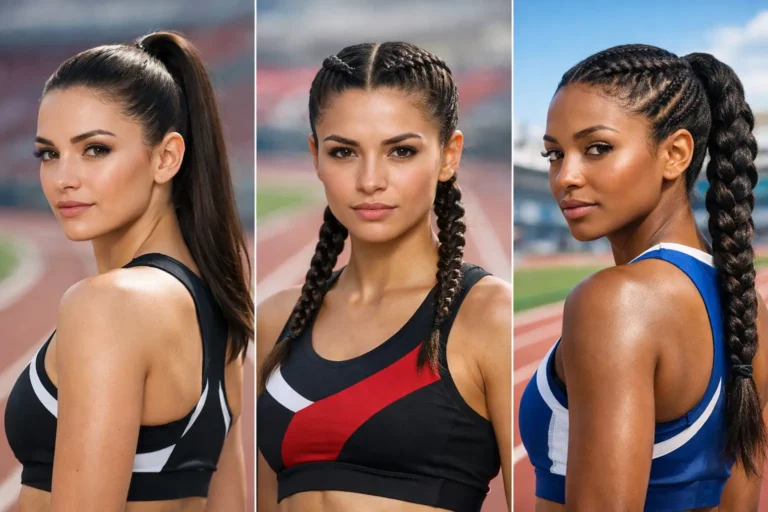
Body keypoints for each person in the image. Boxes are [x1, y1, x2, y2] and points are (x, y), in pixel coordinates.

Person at [256, 42, 511, 512]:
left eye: (401, 151)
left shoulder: (490, 317)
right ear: (316, 156)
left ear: (449, 155)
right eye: (344, 152)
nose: (370, 179)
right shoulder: (277, 320)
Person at [4, 31, 253, 511]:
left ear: (166, 157)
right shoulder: (218, 310)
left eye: (95, 149)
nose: (63, 178)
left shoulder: (109, 303)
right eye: (48, 153)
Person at [518, 44, 768, 510]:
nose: (565, 176)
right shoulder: (749, 310)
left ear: (675, 154)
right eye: (554, 154)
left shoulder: (616, 302)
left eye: (597, 148)